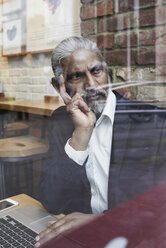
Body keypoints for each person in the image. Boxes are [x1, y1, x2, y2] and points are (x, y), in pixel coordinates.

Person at [35, 36, 166, 247]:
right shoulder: (61, 119)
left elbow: (160, 210)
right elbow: (52, 200)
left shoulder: (152, 122)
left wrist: (105, 221)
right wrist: (80, 135)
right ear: (59, 86)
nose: (92, 84)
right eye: (77, 76)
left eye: (96, 71)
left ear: (107, 72)